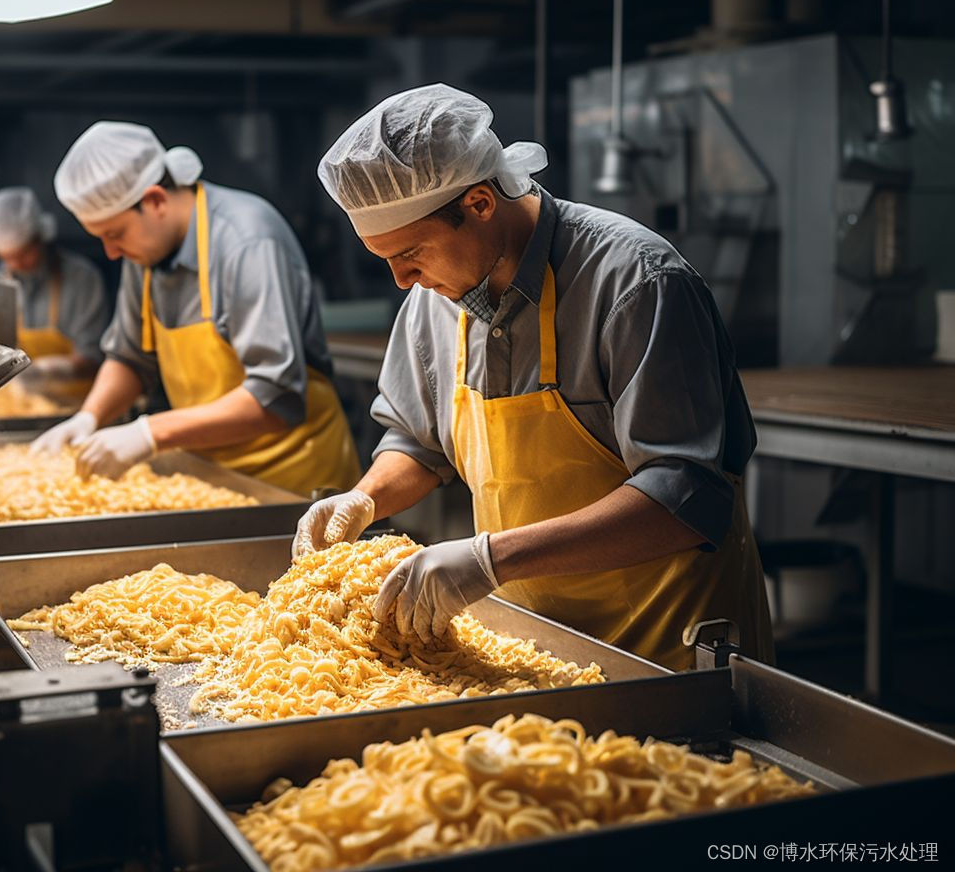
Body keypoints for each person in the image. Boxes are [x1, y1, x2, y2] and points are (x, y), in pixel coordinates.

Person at [295, 84, 772, 671]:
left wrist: (490, 559)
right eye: (384, 259)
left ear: (478, 204)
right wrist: (363, 499)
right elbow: (418, 444)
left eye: (411, 253)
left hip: (666, 649)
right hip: (530, 652)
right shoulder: (435, 298)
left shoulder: (635, 283)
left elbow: (683, 498)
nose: (399, 280)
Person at [31, 122, 360, 495]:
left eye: (114, 234)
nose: (110, 252)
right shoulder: (144, 253)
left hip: (294, 480)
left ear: (155, 200)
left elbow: (275, 396)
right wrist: (89, 417)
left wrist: (149, 432)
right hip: (215, 479)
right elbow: (130, 357)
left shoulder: (246, 241)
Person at [0, 186, 108, 394]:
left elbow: (93, 359)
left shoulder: (82, 278)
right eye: (7, 257)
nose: (16, 263)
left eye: (23, 253)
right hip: (21, 407)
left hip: (79, 404)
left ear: (41, 236)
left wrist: (44, 371)